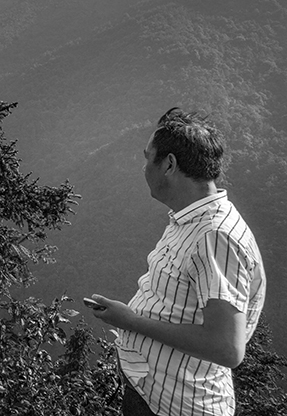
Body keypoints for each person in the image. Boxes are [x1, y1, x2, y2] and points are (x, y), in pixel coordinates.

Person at [88, 108, 266, 416]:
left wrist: (130, 321)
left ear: (169, 164)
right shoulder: (191, 221)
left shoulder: (215, 236)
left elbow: (226, 347)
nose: (144, 168)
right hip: (154, 394)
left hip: (180, 405)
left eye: (148, 158)